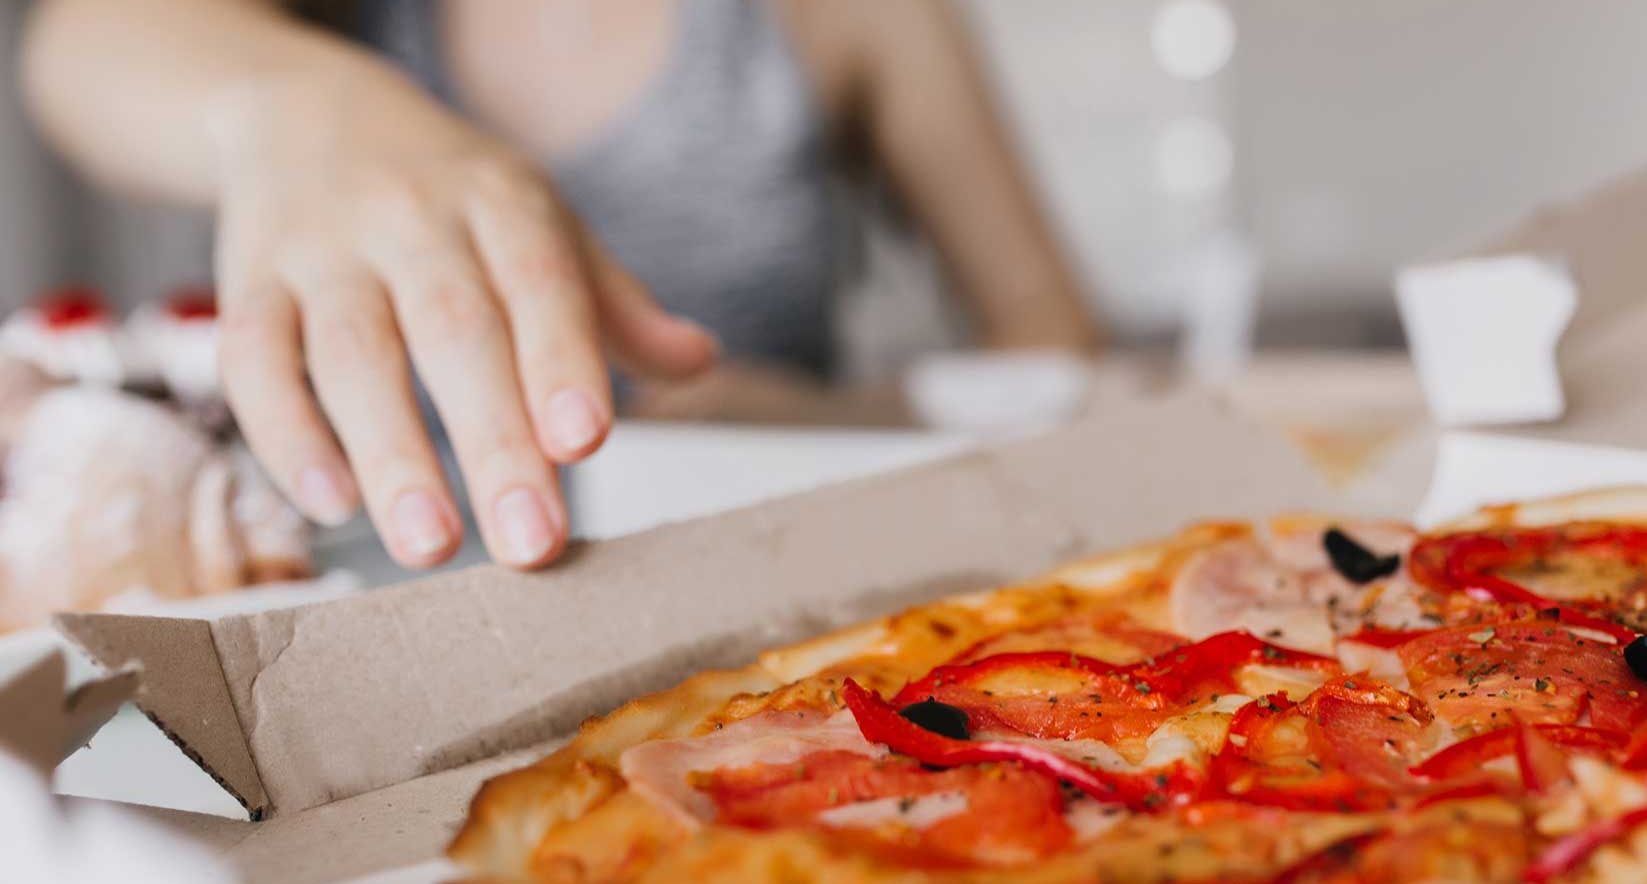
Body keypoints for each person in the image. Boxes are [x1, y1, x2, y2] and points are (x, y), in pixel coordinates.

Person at [17, 0, 1097, 571]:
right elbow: (80, 42)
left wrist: (833, 419)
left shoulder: (842, 16)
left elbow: (1056, 348)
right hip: (352, 637)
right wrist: (299, 112)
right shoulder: (335, 18)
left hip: (778, 605)